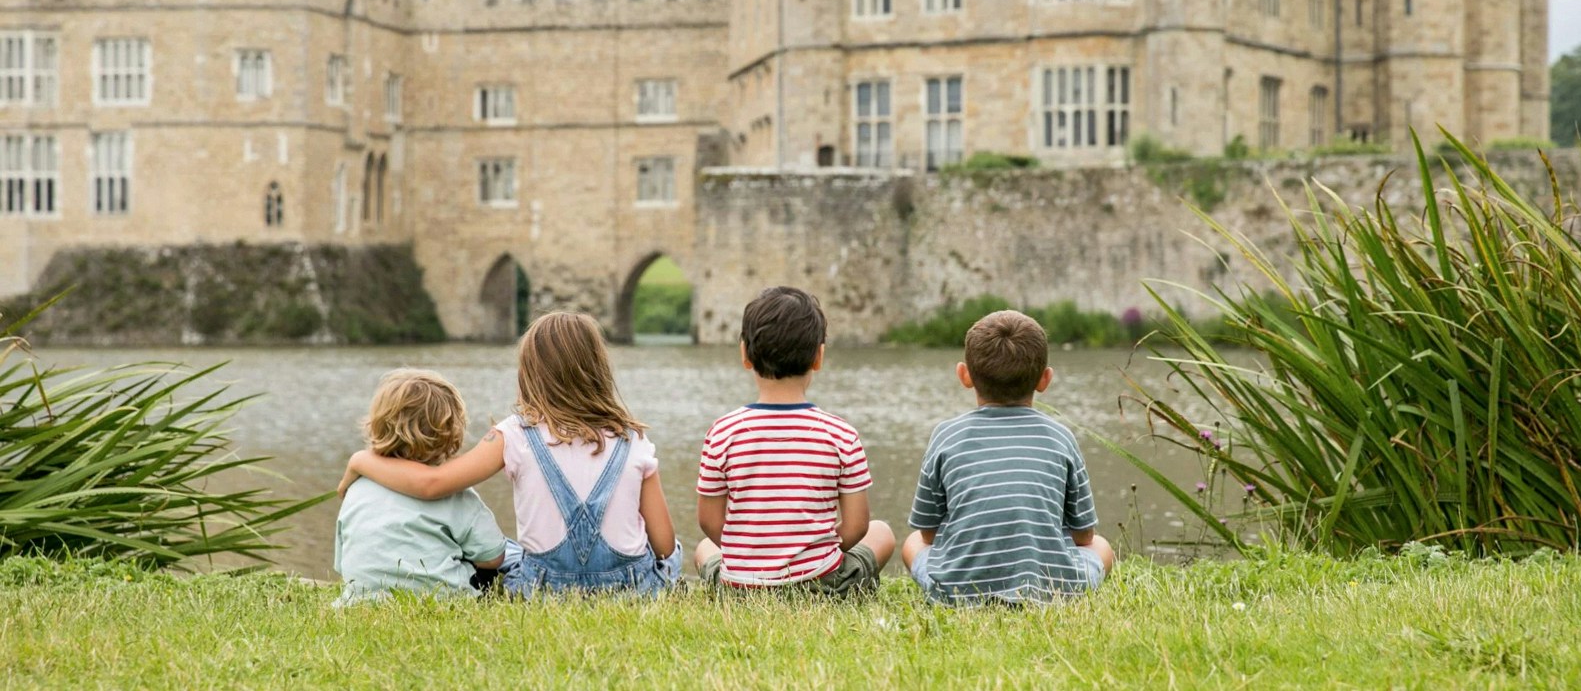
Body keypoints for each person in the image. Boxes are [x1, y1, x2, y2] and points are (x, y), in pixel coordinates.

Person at [338, 312, 680, 595]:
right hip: (630, 589)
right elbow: (663, 544)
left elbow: (433, 484)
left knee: (509, 551)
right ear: (599, 370)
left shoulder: (513, 434)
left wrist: (361, 460)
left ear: (530, 373)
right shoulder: (633, 439)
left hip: (543, 590)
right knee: (676, 554)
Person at [900, 309, 1115, 604]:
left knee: (911, 543)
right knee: (1102, 547)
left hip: (957, 592)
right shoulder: (1061, 437)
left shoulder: (946, 435)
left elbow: (927, 534)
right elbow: (1084, 537)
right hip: (1053, 590)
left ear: (964, 375)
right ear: (1045, 379)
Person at [695, 286, 895, 593]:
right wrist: (809, 551)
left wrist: (753, 556)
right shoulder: (841, 434)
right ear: (819, 357)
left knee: (703, 550)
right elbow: (857, 526)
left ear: (745, 354)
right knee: (883, 533)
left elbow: (709, 521)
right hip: (821, 583)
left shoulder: (722, 432)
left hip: (741, 586)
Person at [332, 369, 509, 606]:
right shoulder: (455, 495)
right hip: (445, 601)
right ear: (452, 434)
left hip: (361, 601)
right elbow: (493, 558)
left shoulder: (357, 489)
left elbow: (341, 562)